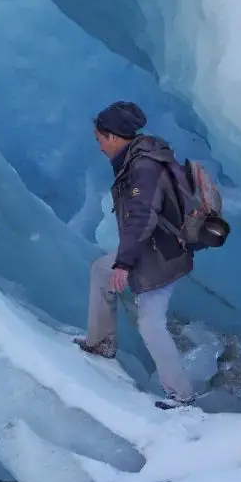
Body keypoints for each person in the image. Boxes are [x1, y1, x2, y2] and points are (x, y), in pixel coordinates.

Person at [74, 100, 197, 409]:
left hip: (162, 253)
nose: (99, 146)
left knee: (151, 322)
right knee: (101, 270)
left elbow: (142, 216)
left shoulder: (143, 166)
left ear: (113, 136)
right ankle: (101, 343)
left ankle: (182, 396)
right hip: (155, 246)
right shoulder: (141, 156)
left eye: (99, 138)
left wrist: (125, 263)